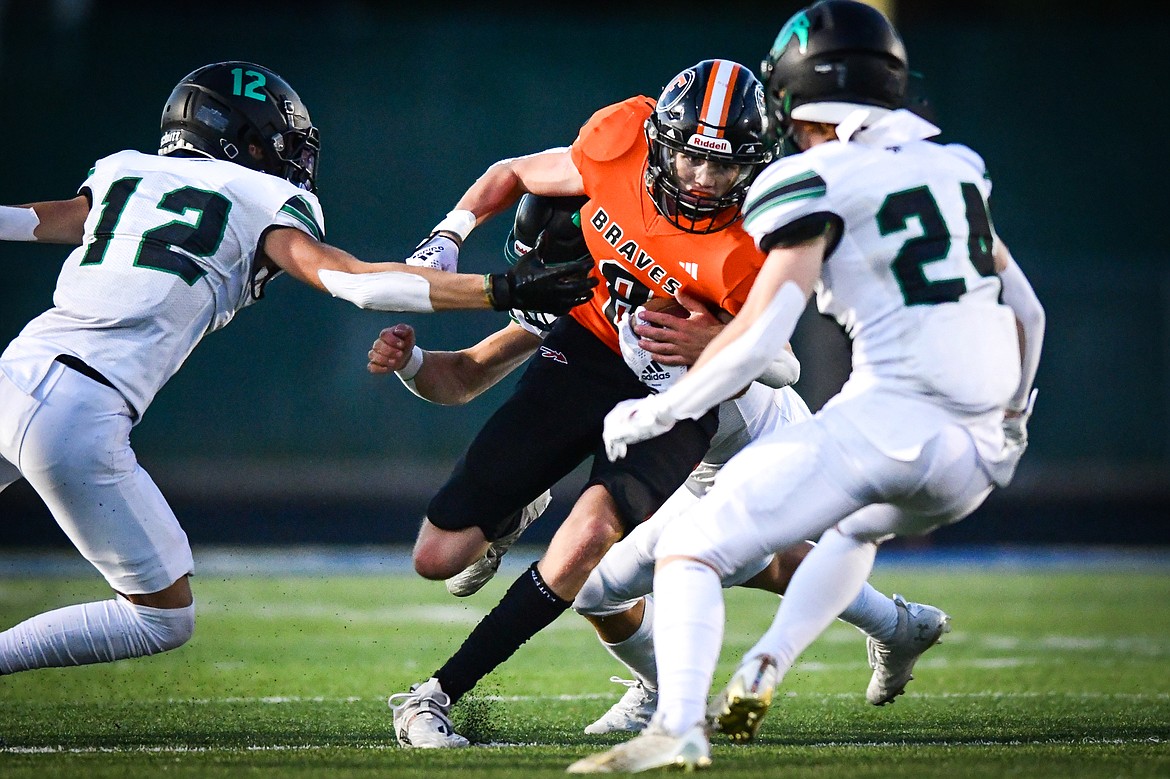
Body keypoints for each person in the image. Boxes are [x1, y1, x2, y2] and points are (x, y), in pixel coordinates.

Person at [570, 1, 1045, 772]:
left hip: (883, 426)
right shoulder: (957, 168)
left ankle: (680, 724)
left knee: (689, 549)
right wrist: (1014, 420)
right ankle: (774, 660)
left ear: (796, 91)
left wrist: (662, 406)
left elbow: (759, 337)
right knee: (855, 534)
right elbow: (1029, 310)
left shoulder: (811, 176)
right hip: (977, 456)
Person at [0, 60, 594, 677]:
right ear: (245, 140)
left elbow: (29, 220)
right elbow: (354, 283)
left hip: (14, 373)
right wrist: (500, 289)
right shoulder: (262, 196)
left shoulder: (124, 172)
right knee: (161, 618)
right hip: (76, 413)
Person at [374, 194, 949, 744]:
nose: (544, 277)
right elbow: (472, 370)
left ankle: (894, 627)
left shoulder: (674, 280)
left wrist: (718, 340)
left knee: (734, 560)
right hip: (687, 457)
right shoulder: (579, 299)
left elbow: (783, 364)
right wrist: (415, 363)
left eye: (552, 263)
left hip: (752, 445)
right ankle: (668, 685)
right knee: (598, 590)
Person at [382, 58, 785, 749]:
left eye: (724, 168)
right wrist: (449, 233)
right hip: (595, 347)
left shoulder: (758, 237)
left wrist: (713, 340)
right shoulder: (617, 141)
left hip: (680, 392)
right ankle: (511, 509)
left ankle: (434, 693)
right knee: (436, 555)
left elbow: (780, 359)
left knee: (592, 536)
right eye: (691, 157)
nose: (703, 180)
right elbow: (513, 172)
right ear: (659, 139)